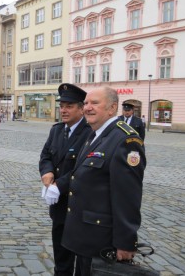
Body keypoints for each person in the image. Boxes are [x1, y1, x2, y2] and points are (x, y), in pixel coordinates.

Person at [61, 87, 146, 275]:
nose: (87, 108)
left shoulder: (125, 140)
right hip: (86, 236)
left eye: (94, 103)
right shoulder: (95, 134)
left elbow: (127, 197)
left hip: (103, 240)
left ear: (112, 108)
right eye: (86, 103)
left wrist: (125, 242)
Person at [39, 83, 92, 276]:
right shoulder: (57, 130)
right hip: (59, 204)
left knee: (82, 259)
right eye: (61, 106)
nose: (63, 110)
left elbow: (85, 168)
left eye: (69, 106)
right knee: (61, 255)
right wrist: (46, 173)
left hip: (79, 204)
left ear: (81, 108)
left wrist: (58, 185)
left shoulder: (90, 132)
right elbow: (46, 155)